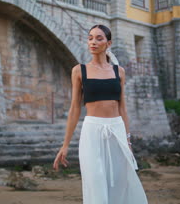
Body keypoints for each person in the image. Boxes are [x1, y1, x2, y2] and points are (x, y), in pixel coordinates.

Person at [53, 24, 148, 204]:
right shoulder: (79, 71)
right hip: (92, 131)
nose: (93, 42)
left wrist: (127, 141)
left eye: (99, 38)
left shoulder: (118, 71)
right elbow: (74, 108)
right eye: (90, 38)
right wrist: (65, 145)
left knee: (119, 184)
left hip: (116, 130)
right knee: (95, 183)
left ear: (108, 43)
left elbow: (122, 108)